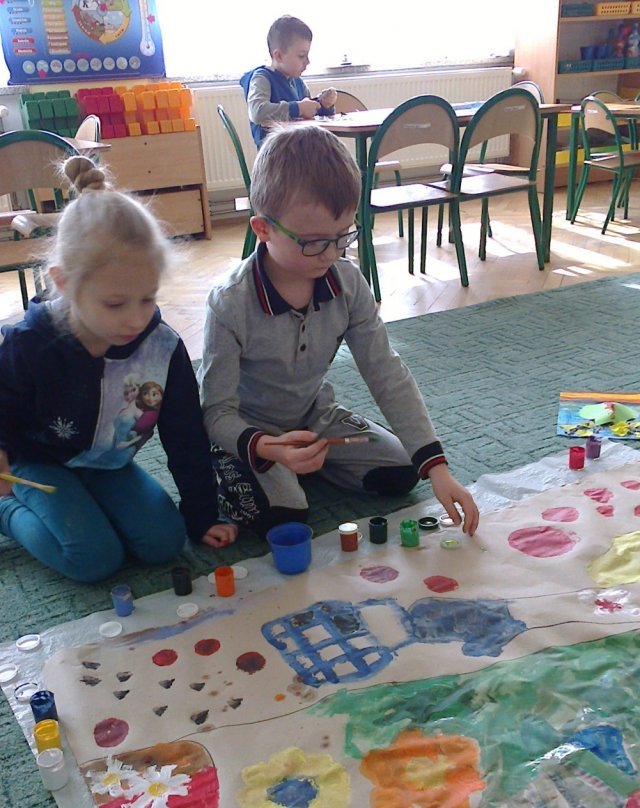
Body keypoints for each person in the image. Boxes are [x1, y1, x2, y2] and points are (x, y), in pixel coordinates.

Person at [199, 123, 480, 540]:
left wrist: (436, 466)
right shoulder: (229, 303)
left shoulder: (347, 282)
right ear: (263, 229)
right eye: (313, 242)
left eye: (342, 236)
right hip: (250, 430)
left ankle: (304, 466)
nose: (330, 254)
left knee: (404, 470)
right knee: (286, 518)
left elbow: (386, 371)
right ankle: (244, 468)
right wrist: (262, 446)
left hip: (315, 417)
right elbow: (215, 411)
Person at [0, 156, 237, 583]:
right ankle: (5, 510)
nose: (136, 319)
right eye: (115, 304)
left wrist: (202, 514)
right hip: (38, 463)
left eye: (147, 298)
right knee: (93, 558)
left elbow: (185, 434)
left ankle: (87, 503)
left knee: (164, 542)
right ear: (65, 283)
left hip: (105, 462)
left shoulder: (162, 347)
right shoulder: (29, 343)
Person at [240, 14, 337, 148]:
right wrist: (298, 108)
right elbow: (257, 113)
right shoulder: (262, 78)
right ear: (279, 56)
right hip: (275, 154)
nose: (308, 61)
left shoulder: (299, 83)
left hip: (299, 151)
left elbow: (308, 118)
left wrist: (323, 106)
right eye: (301, 56)